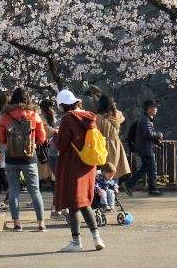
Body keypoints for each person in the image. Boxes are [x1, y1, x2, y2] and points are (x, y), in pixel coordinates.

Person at [54, 88, 104, 252]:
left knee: (75, 202)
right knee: (83, 201)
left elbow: (62, 145)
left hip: (73, 164)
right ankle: (97, 238)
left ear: (62, 105)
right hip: (88, 164)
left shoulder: (68, 118)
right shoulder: (89, 117)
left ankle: (76, 242)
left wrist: (54, 136)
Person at [0, 87, 47, 231]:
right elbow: (42, 137)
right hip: (29, 158)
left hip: (11, 158)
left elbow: (1, 138)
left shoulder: (5, 116)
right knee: (35, 191)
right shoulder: (34, 115)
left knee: (13, 191)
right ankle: (41, 223)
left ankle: (17, 223)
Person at [124, 99, 164, 196]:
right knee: (152, 169)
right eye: (155, 107)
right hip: (145, 149)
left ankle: (129, 184)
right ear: (149, 109)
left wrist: (156, 142)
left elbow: (146, 134)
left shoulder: (146, 119)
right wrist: (159, 135)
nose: (157, 109)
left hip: (144, 147)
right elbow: (148, 134)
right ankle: (152, 189)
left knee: (146, 168)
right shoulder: (145, 120)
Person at [96, 95, 131, 180]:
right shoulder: (118, 114)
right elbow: (124, 123)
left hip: (103, 144)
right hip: (116, 142)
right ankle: (114, 187)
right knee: (115, 168)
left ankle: (106, 189)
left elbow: (96, 132)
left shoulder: (98, 117)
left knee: (104, 169)